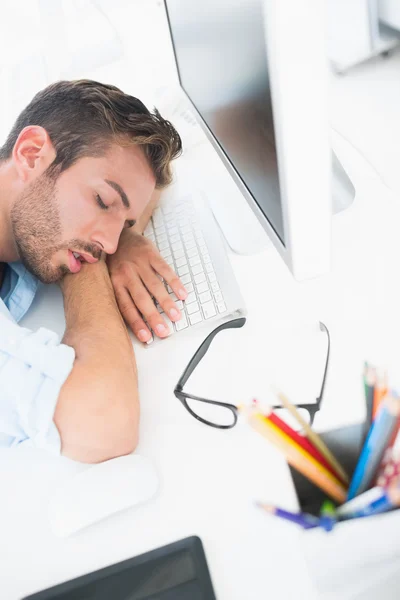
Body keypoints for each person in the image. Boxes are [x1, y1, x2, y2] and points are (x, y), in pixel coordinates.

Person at [0, 79, 187, 463]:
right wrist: (86, 263)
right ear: (32, 154)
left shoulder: (26, 202)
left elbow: (148, 188)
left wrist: (114, 228)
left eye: (125, 225)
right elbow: (104, 424)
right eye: (102, 200)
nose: (112, 244)